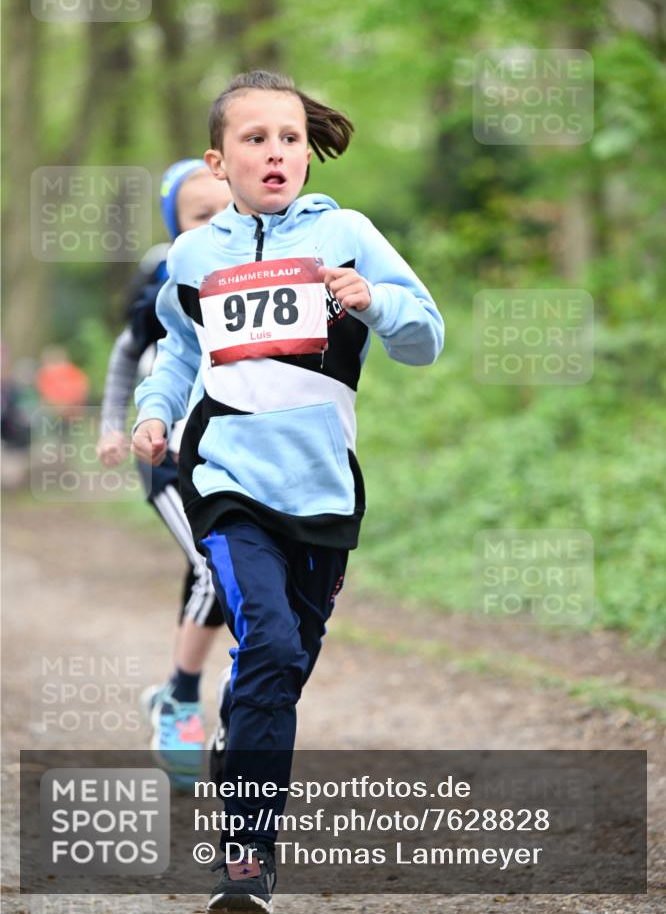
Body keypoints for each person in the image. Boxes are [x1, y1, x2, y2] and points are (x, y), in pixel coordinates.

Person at [132, 70, 444, 912]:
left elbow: (425, 339)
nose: (275, 153)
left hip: (324, 492)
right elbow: (179, 356)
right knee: (265, 644)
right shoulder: (196, 256)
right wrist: (152, 414)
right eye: (254, 139)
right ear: (218, 160)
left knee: (280, 671)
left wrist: (371, 299)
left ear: (308, 153)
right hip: (226, 483)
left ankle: (244, 735)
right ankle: (246, 861)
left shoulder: (346, 233)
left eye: (290, 139)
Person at [98, 160, 232, 787]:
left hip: (228, 457)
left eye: (221, 211)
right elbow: (128, 357)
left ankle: (193, 697)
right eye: (197, 215)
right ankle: (182, 700)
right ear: (173, 223)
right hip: (168, 457)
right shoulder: (164, 278)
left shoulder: (248, 271)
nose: (212, 223)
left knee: (216, 568)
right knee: (214, 567)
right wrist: (109, 425)